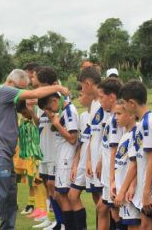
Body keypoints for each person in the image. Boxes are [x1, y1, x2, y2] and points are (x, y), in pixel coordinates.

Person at [0, 69, 69, 230]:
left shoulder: (6, 98)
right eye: (22, 87)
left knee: (10, 197)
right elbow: (34, 93)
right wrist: (59, 89)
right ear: (14, 83)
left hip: (4, 153)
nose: (22, 90)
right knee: (0, 196)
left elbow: (27, 110)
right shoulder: (3, 91)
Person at [119, 80, 152, 230]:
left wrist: (146, 192)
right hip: (144, 185)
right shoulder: (140, 125)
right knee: (145, 225)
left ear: (131, 103)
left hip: (151, 188)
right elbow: (138, 161)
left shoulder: (148, 124)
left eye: (124, 103)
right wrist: (133, 186)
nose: (123, 106)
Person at [38, 91, 79, 229]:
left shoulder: (69, 111)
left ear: (55, 100)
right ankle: (65, 226)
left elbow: (73, 139)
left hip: (67, 158)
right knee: (61, 195)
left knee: (65, 195)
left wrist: (56, 123)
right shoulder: (62, 111)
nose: (50, 112)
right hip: (60, 156)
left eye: (49, 108)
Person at [34, 66, 63, 229]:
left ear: (52, 84)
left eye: (42, 85)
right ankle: (53, 218)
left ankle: (61, 221)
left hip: (55, 151)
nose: (39, 89)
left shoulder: (57, 99)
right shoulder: (41, 99)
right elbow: (41, 123)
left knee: (55, 187)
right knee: (47, 185)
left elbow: (57, 124)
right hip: (44, 149)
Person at [96, 78, 124, 229]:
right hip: (109, 176)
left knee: (117, 214)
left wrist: (113, 179)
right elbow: (106, 147)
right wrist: (101, 162)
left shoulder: (116, 120)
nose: (99, 101)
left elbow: (115, 151)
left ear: (112, 97)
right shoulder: (110, 119)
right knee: (105, 210)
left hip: (114, 177)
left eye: (101, 97)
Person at [78, 66, 105, 206]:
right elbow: (91, 136)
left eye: (82, 86)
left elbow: (108, 137)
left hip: (103, 161)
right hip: (93, 160)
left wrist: (101, 161)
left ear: (88, 84)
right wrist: (89, 160)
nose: (82, 90)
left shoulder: (105, 102)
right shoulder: (94, 103)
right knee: (96, 199)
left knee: (106, 205)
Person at [68, 86, 93, 230]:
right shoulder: (83, 116)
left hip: (92, 163)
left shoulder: (100, 115)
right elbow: (80, 143)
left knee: (100, 201)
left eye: (81, 94)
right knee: (73, 195)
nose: (79, 98)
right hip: (82, 162)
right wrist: (75, 164)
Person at [114, 99, 141, 230]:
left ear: (130, 114)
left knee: (133, 225)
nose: (115, 118)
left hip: (130, 192)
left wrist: (125, 189)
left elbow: (135, 165)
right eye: (115, 114)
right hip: (122, 189)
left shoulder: (134, 134)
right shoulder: (125, 133)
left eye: (119, 114)